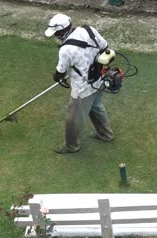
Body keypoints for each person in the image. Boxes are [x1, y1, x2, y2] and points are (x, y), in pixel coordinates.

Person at [44, 14, 114, 154]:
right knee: (96, 107)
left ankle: (72, 146)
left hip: (82, 89)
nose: (55, 35)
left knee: (73, 118)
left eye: (56, 32)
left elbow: (60, 72)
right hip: (99, 78)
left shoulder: (66, 49)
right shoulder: (89, 30)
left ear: (63, 30)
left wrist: (56, 77)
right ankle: (106, 134)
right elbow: (105, 46)